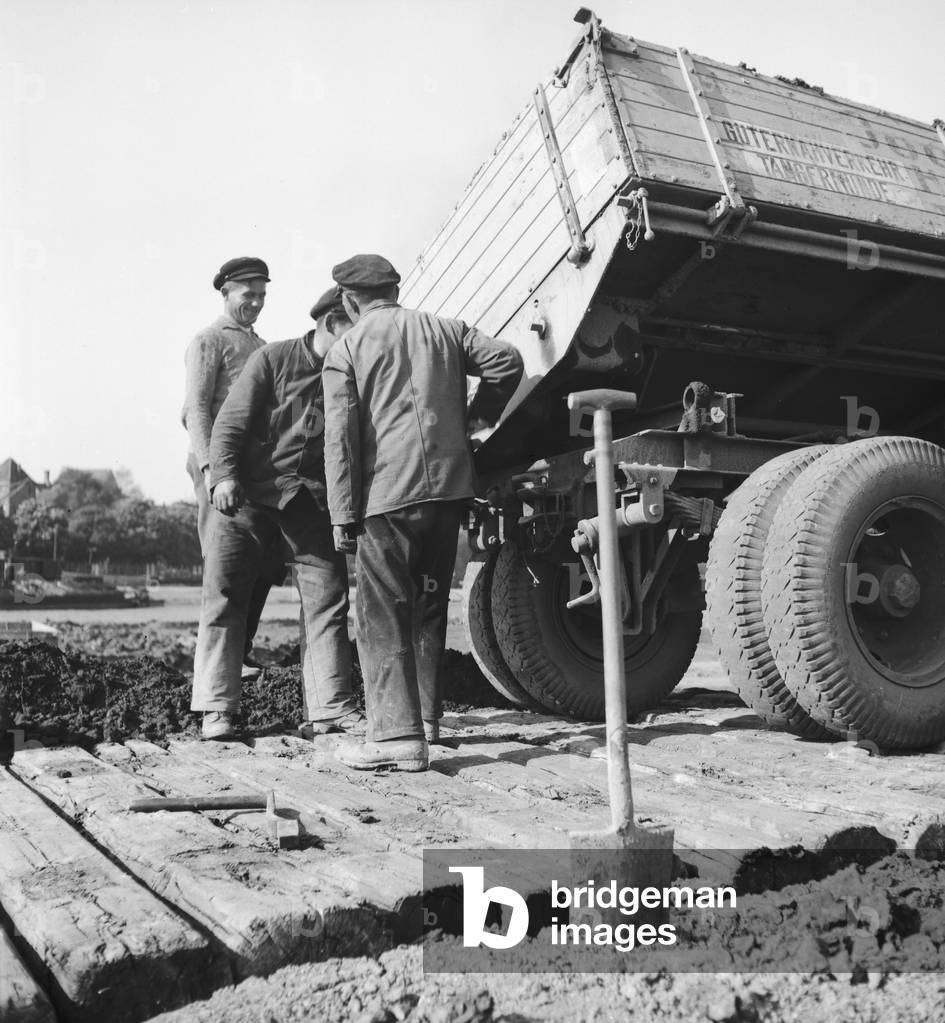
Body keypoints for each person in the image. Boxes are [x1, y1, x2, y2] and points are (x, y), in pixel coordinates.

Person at [323, 254, 524, 772]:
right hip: (450, 490)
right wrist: (475, 419)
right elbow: (507, 361)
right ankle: (429, 721)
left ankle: (396, 738)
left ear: (348, 300)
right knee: (428, 604)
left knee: (382, 612)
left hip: (388, 495)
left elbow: (340, 441)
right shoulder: (446, 329)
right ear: (395, 289)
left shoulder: (346, 348)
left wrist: (342, 513)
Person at [193, 286, 363, 741]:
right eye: (355, 331)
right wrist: (222, 477)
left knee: (328, 600)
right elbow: (228, 423)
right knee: (226, 594)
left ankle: (329, 709)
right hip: (248, 499)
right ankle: (216, 709)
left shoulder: (354, 374)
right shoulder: (272, 359)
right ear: (332, 323)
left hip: (310, 507)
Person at [182, 257, 279, 695]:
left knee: (265, 563)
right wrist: (212, 471)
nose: (256, 302)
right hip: (223, 468)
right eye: (248, 294)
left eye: (262, 294)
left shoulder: (262, 345)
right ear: (225, 293)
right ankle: (215, 678)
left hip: (257, 471)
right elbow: (196, 410)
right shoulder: (209, 340)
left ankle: (240, 651)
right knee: (225, 568)